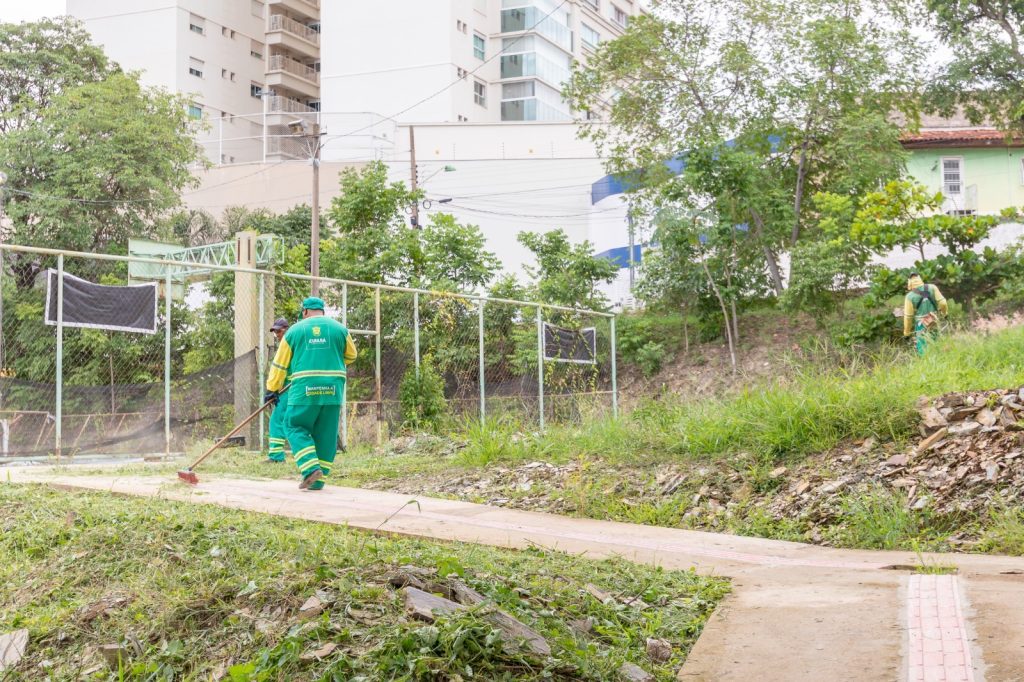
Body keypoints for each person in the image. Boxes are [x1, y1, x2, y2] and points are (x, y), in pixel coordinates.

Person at [265, 297, 357, 490]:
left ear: (305, 311)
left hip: (304, 388)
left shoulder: (294, 331)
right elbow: (351, 355)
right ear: (322, 311)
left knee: (294, 425)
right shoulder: (340, 329)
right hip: (333, 389)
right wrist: (329, 361)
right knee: (326, 434)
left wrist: (272, 388)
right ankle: (318, 482)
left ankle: (310, 469)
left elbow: (280, 365)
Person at [264, 317, 291, 464]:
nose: (277, 335)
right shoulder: (294, 343)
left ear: (286, 330)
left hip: (291, 388)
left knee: (276, 420)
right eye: (275, 332)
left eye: (279, 331)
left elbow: (280, 369)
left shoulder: (287, 344)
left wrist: (271, 390)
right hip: (289, 387)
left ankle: (276, 456)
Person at [903, 273, 948, 356]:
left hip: (921, 325)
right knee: (937, 344)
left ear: (910, 283)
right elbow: (943, 303)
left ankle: (926, 362)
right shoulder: (932, 287)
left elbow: (908, 317)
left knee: (922, 349)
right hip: (934, 321)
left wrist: (907, 333)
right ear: (920, 279)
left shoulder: (909, 297)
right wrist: (945, 314)